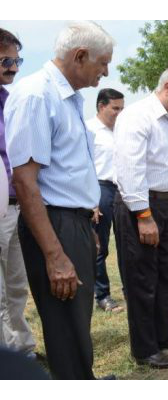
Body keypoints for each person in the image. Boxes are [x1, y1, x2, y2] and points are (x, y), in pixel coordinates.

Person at [4, 21, 114, 379]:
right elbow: (25, 180)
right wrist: (55, 254)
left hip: (72, 222)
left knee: (76, 322)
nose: (106, 72)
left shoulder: (66, 97)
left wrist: (84, 224)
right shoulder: (37, 94)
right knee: (65, 327)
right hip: (53, 223)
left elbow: (67, 172)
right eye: (102, 63)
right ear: (80, 56)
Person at [113, 65, 168, 369]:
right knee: (142, 280)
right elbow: (130, 169)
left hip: (165, 206)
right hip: (141, 206)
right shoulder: (137, 117)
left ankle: (163, 335)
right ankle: (145, 348)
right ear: (167, 87)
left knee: (166, 276)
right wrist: (144, 215)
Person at [0, 28, 37, 359]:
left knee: (16, 285)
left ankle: (20, 350)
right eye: (6, 60)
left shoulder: (10, 102)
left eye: (16, 60)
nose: (13, 67)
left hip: (16, 205)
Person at [86, 88, 125, 313]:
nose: (119, 113)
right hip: (99, 189)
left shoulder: (121, 130)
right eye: (115, 108)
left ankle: (129, 289)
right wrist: (92, 200)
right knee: (100, 247)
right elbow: (85, 166)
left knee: (126, 244)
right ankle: (102, 295)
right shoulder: (89, 129)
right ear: (102, 106)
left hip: (122, 190)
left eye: (122, 108)